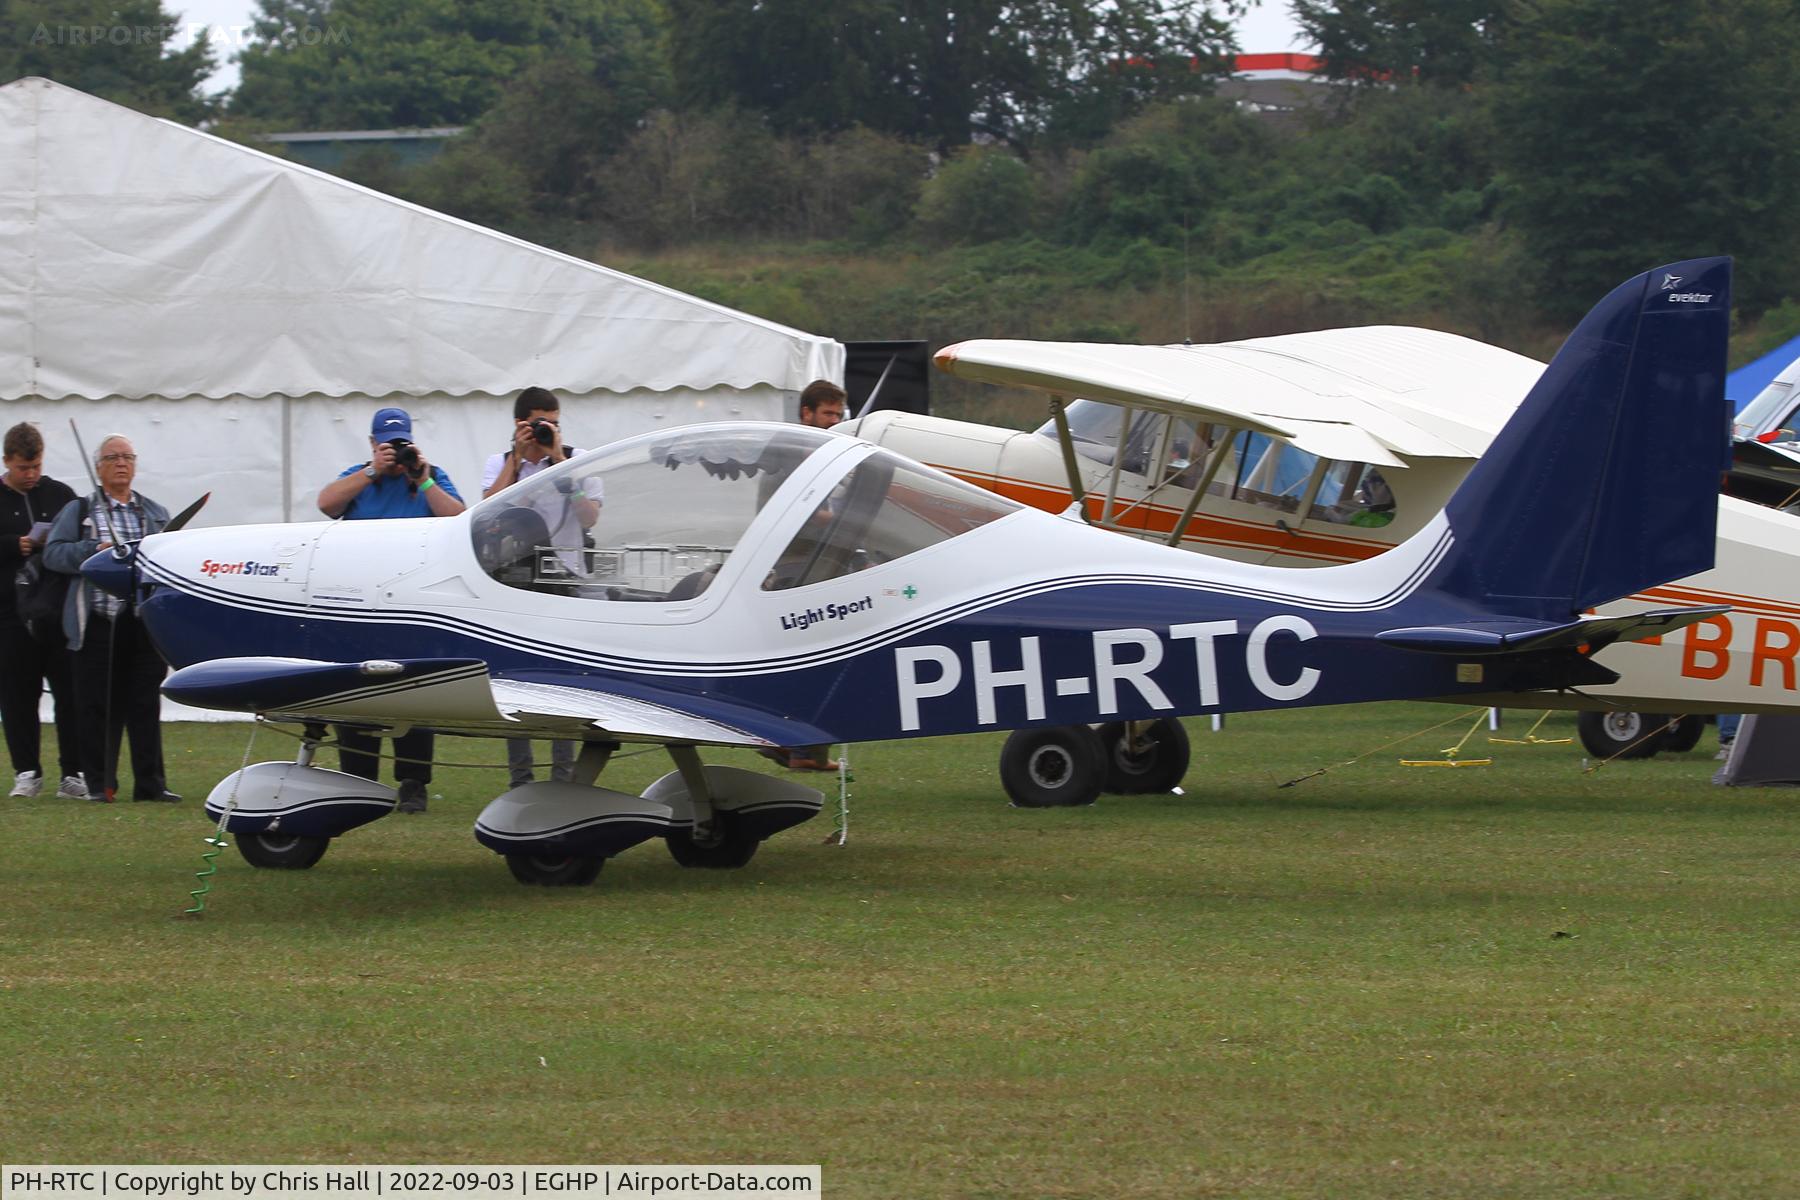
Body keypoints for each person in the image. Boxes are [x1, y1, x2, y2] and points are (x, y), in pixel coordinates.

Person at [317, 408, 466, 812]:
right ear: (372, 444)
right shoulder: (358, 476)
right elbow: (326, 504)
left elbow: (459, 520)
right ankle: (359, 779)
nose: (395, 452)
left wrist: (424, 478)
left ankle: (413, 782)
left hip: (413, 605)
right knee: (356, 690)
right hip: (359, 604)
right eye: (387, 444)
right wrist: (371, 471)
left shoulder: (429, 474)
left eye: (401, 443)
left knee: (415, 692)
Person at [42, 434, 177, 802]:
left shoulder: (154, 513)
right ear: (98, 466)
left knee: (145, 705)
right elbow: (53, 554)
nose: (121, 463)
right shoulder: (81, 511)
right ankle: (102, 785)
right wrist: (93, 551)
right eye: (113, 457)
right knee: (95, 708)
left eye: (127, 457)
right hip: (97, 623)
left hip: (140, 622)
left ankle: (151, 785)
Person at [480, 387, 600, 788]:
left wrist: (559, 462)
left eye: (555, 421)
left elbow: (589, 518)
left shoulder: (579, 462)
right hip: (514, 583)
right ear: (520, 424)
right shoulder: (499, 464)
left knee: (564, 683)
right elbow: (484, 513)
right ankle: (521, 781)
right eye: (540, 422)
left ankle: (563, 778)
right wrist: (518, 459)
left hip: (566, 579)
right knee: (516, 683)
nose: (549, 429)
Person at [763, 379, 850, 772]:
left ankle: (800, 750)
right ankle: (795, 748)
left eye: (838, 414)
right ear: (806, 413)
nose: (834, 421)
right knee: (807, 658)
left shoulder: (812, 452)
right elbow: (811, 513)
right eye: (827, 413)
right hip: (797, 567)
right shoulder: (795, 453)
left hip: (810, 565)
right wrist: (853, 520)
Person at [0, 423, 84, 799]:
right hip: (10, 616)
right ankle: (27, 772)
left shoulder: (61, 495)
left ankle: (73, 773)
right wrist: (9, 545)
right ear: (7, 462)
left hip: (56, 613)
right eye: (22, 469)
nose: (31, 475)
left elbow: (81, 535)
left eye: (35, 467)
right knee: (18, 695)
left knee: (69, 694)